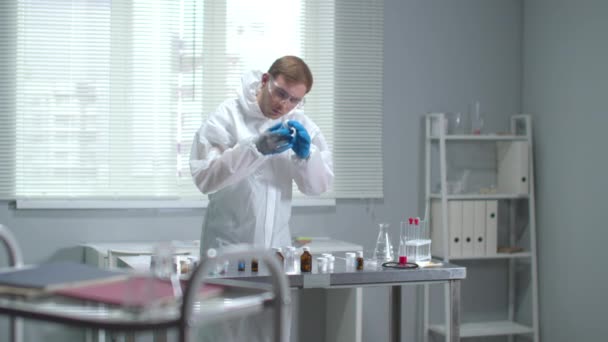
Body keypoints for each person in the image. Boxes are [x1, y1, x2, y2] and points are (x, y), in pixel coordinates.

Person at [190, 55, 334, 256]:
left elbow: (318, 187)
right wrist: (254, 149)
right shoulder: (227, 117)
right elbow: (205, 178)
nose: (284, 104)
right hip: (227, 247)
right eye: (280, 93)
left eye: (294, 100)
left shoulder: (300, 123)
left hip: (277, 249)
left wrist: (307, 157)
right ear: (266, 80)